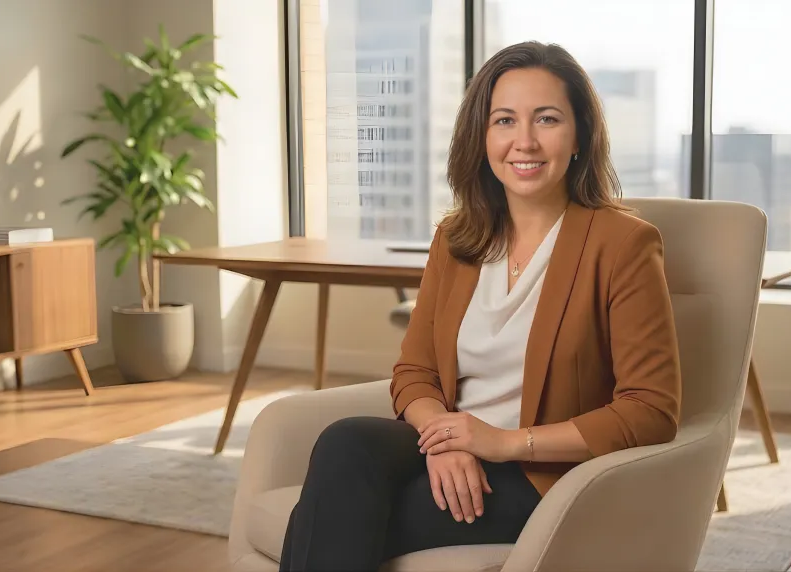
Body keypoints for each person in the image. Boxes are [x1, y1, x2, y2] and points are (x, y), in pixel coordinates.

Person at [278, 40, 682, 572]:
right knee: (345, 442)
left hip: (540, 473)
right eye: (505, 120)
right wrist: (446, 440)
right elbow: (414, 372)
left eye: (547, 119)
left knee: (329, 516)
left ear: (580, 134)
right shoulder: (456, 238)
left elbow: (651, 410)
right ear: (482, 135)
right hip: (453, 450)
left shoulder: (622, 244)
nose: (525, 141)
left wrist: (504, 443)